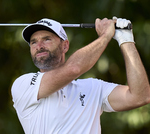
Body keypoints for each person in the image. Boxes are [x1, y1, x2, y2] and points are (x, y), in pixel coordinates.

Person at [11, 17, 150, 134]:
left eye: (47, 39)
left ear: (65, 46)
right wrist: (105, 36)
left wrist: (126, 40)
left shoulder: (93, 87)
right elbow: (73, 69)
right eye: (33, 42)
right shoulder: (23, 84)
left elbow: (140, 96)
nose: (39, 45)